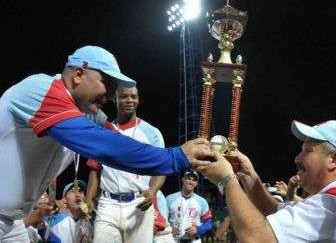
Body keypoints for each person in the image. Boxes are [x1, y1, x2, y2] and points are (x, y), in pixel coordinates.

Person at [0, 45, 213, 241]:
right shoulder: (41, 90)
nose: (111, 96)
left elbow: (118, 138)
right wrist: (175, 157)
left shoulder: (80, 111)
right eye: (108, 84)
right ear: (78, 75)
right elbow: (108, 146)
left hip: (12, 222)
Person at [198, 120, 336, 242]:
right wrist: (250, 178)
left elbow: (256, 238)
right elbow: (277, 211)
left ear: (334, 159)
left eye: (307, 151)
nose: (297, 158)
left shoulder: (334, 203)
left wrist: (226, 179)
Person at [86, 85, 166, 242]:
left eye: (133, 97)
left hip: (138, 203)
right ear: (115, 99)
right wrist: (88, 198)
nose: (129, 100)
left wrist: (153, 190)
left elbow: (161, 168)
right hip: (107, 204)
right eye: (124, 96)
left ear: (138, 100)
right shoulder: (104, 131)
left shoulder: (151, 132)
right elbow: (95, 169)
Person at [167, 171, 213, 243]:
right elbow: (162, 219)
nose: (191, 182)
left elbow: (208, 223)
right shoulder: (170, 199)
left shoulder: (202, 201)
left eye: (194, 180)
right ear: (183, 179)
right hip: (173, 239)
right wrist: (169, 229)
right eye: (188, 178)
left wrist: (198, 229)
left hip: (194, 240)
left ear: (196, 183)